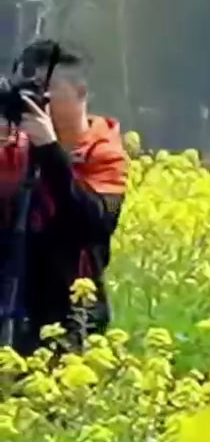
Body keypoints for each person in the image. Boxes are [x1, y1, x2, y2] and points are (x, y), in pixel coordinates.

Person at [0, 40, 128, 355]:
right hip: (14, 303)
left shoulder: (103, 153)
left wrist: (49, 151)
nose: (34, 102)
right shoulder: (16, 147)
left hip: (72, 313)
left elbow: (95, 223)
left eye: (43, 91)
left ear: (80, 91)